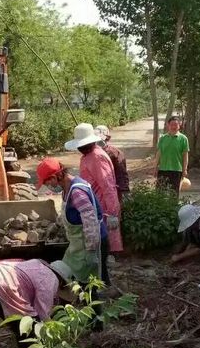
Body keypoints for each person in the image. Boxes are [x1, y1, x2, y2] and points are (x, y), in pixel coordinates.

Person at [35, 157, 110, 287]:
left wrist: (91, 252)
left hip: (91, 243)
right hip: (79, 244)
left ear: (54, 176)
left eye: (47, 182)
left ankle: (96, 306)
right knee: (74, 276)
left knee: (88, 285)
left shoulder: (76, 192)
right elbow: (70, 213)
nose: (48, 186)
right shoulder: (67, 188)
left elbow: (90, 222)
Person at [0, 259, 73, 348]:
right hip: (3, 282)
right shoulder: (51, 278)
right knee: (28, 326)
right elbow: (43, 312)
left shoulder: (37, 264)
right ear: (62, 281)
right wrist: (50, 334)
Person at [65, 123, 123, 254]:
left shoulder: (97, 157)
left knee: (104, 245)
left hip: (104, 207)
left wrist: (113, 213)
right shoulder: (87, 156)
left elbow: (108, 186)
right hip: (95, 203)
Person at [154, 116, 189, 197]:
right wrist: (155, 167)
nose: (173, 127)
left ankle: (173, 209)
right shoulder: (163, 138)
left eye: (176, 125)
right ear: (168, 125)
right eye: (171, 124)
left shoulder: (183, 139)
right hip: (163, 169)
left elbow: (185, 156)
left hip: (176, 170)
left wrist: (185, 169)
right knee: (159, 193)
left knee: (174, 194)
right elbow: (159, 153)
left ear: (179, 126)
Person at [95, 125, 130, 202]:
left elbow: (121, 174)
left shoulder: (115, 153)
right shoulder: (91, 154)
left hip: (113, 191)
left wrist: (124, 191)